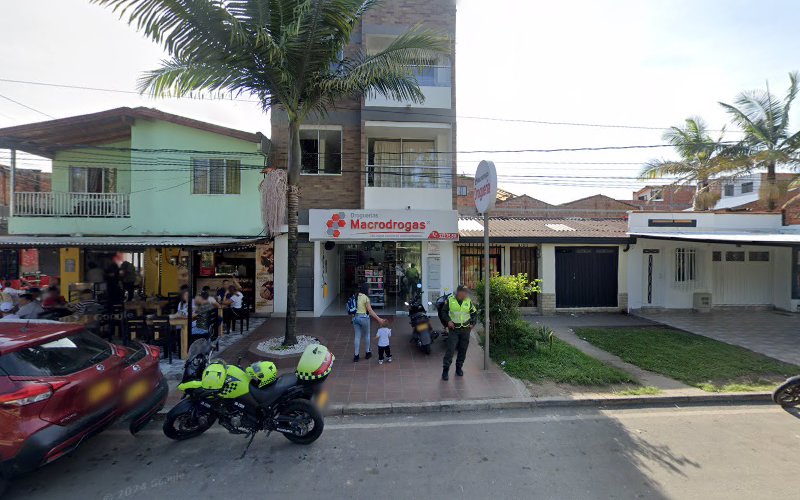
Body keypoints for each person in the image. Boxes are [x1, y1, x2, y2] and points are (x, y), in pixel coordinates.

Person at [440, 285, 478, 381]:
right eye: (464, 292)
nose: (466, 294)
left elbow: (474, 313)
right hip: (454, 330)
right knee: (450, 350)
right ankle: (445, 370)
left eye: (466, 292)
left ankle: (459, 368)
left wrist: (473, 323)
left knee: (463, 349)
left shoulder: (468, 301)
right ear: (459, 292)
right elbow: (443, 312)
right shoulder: (450, 300)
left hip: (465, 330)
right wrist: (448, 321)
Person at [352, 283, 385, 362]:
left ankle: (356, 356)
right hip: (364, 318)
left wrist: (353, 319)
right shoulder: (365, 298)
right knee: (367, 335)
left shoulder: (355, 296)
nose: (370, 290)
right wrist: (379, 319)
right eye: (369, 288)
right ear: (366, 289)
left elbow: (352, 308)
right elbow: (370, 311)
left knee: (357, 336)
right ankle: (367, 353)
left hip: (355, 318)